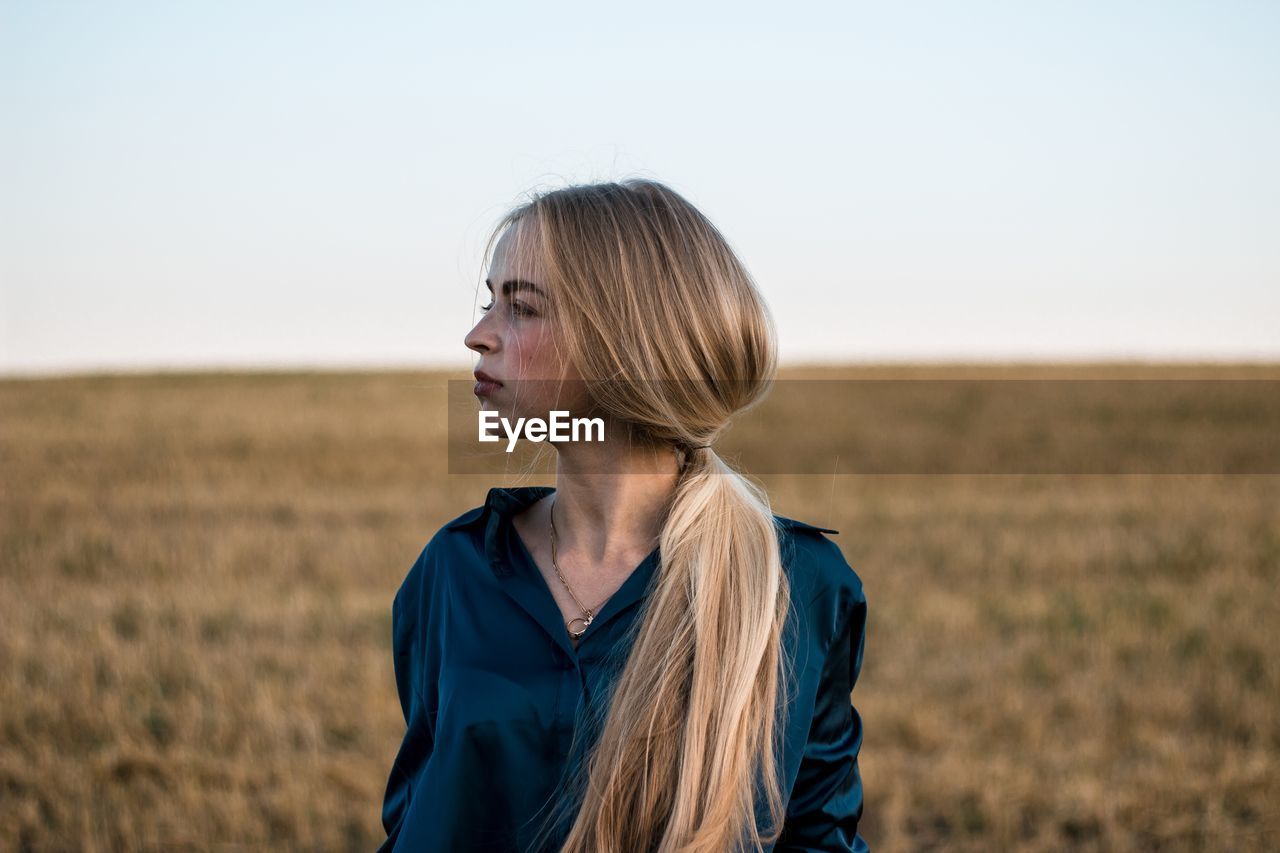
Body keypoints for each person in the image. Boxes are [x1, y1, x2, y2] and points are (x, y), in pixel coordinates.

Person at [378, 179, 869, 852]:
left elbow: (816, 836)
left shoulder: (795, 586)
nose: (477, 335)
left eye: (521, 308)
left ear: (626, 341)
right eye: (489, 301)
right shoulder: (454, 569)